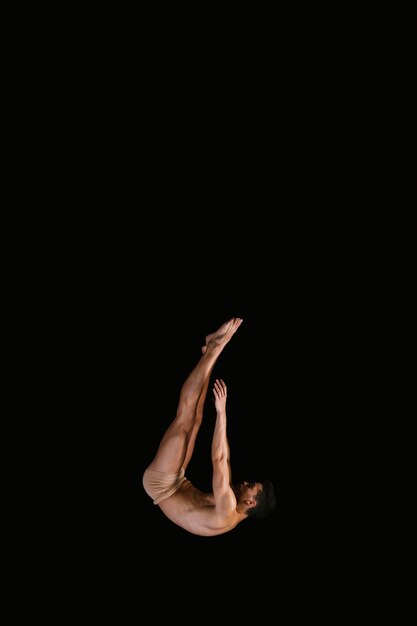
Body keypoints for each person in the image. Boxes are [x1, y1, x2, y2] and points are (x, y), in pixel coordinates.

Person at [142, 317, 277, 536]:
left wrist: (222, 412)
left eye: (251, 485)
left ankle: (215, 347)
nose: (245, 482)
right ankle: (209, 350)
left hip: (161, 486)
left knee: (185, 419)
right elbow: (225, 456)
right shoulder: (233, 500)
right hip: (178, 480)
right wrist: (220, 413)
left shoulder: (227, 513)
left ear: (251, 503)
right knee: (196, 418)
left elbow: (219, 460)